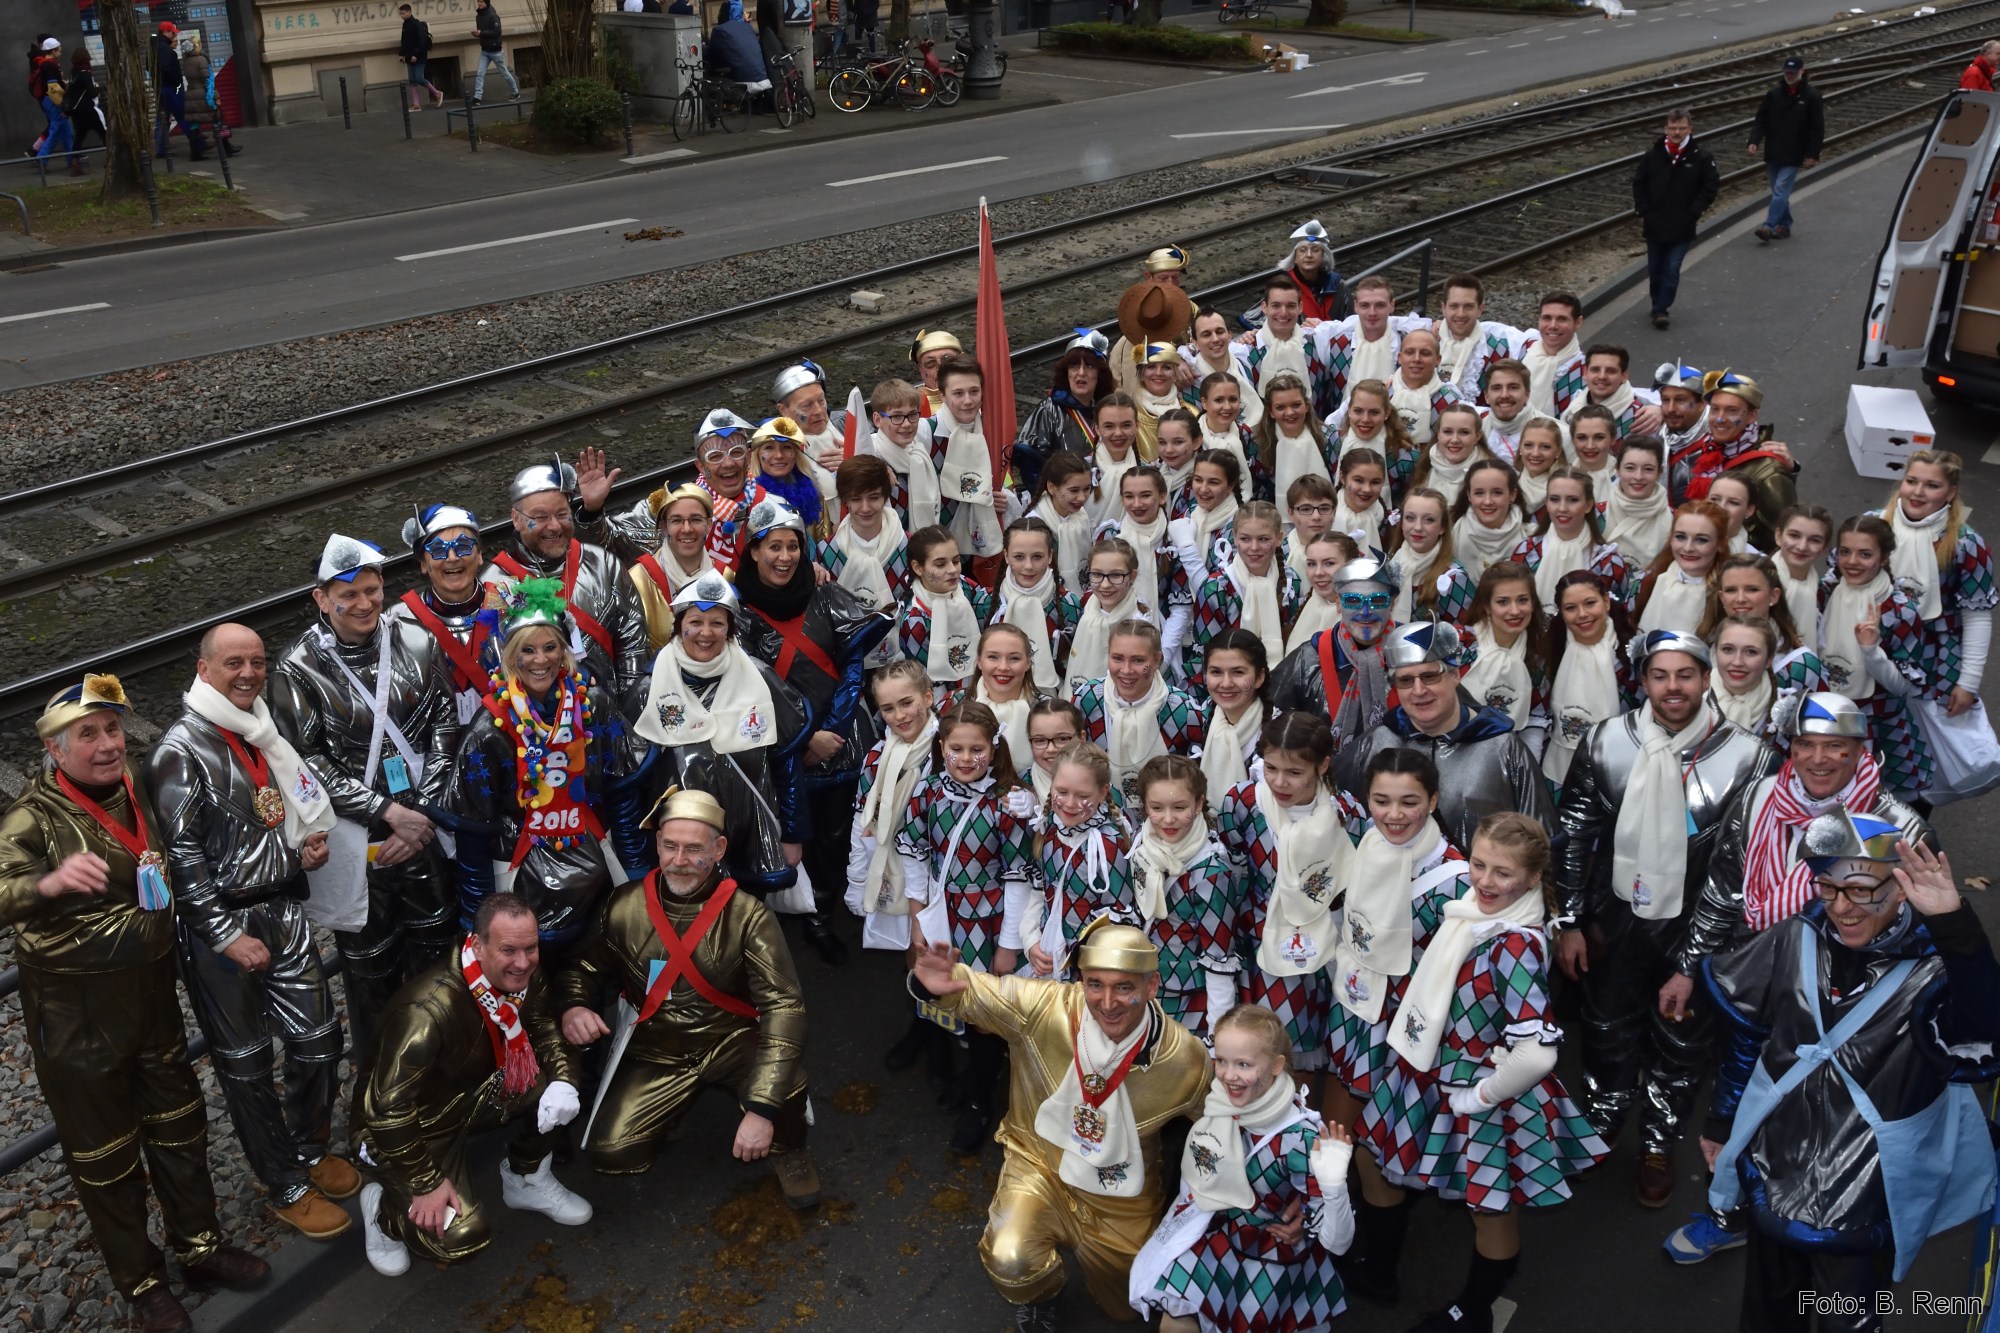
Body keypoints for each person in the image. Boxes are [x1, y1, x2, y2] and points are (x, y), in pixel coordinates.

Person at [0, 674, 270, 1333]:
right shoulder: (30, 817)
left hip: (151, 1003)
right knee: (107, 1159)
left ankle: (200, 1248)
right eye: (86, 734)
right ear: (54, 751)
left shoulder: (137, 789)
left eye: (113, 729)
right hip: (78, 1026)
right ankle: (142, 1280)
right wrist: (49, 881)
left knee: (182, 1127)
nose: (105, 744)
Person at [1657, 691, 1936, 1267]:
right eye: (1806, 743)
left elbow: (1922, 933)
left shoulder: (1896, 824)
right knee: (1735, 1109)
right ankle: (1728, 1213)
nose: (1818, 758)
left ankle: (1826, 1234)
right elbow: (1723, 891)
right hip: (1761, 986)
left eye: (1835, 745)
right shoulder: (1760, 798)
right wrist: (1688, 967)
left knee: (1825, 1131)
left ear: (1861, 750)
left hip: (1845, 1010)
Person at [1702, 817, 1997, 1330]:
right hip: (1774, 1170)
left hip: (1866, 1191)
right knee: (1768, 1315)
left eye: (1860, 889)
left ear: (1901, 890)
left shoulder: (1937, 969)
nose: (1841, 907)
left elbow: (1986, 1034)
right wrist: (1721, 1123)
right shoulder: (1795, 938)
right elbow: (1750, 1036)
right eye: (1829, 887)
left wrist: (1955, 925)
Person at [1355, 814, 1607, 1330]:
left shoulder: (1513, 943)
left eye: (1503, 873)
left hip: (1481, 1089)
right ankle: (1381, 1271)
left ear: (1533, 879)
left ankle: (1471, 1313)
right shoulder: (1471, 913)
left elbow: (1537, 1052)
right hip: (1437, 1073)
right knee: (1384, 1161)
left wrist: (1479, 1098)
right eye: (1478, 864)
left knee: (1489, 1210)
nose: (1486, 882)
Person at [1552, 630, 1776, 1208]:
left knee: (1682, 1044)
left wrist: (1694, 959)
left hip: (1699, 924)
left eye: (1685, 675)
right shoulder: (1606, 741)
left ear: (1706, 679)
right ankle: (1598, 1128)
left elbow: (1739, 873)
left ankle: (1657, 1144)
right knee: (1604, 1032)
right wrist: (1570, 921)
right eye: (1660, 675)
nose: (1672, 688)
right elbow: (1573, 831)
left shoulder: (1750, 757)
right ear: (1643, 680)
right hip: (1613, 919)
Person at [150, 625, 355, 1241]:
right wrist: (222, 935)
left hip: (283, 908)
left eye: (258, 663)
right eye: (233, 663)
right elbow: (181, 859)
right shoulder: (179, 751)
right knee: (245, 1065)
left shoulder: (262, 731)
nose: (248, 673)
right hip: (224, 930)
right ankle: (283, 1180)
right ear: (203, 668)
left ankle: (310, 1147)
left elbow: (267, 819)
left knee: (319, 1038)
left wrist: (300, 854)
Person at [912, 917, 1210, 1330]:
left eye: (1124, 986)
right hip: (1039, 1167)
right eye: (1095, 984)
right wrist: (938, 983)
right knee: (1010, 1258)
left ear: (1152, 986)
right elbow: (978, 991)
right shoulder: (1045, 1008)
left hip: (1118, 1193)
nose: (1107, 1002)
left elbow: (1227, 1131)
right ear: (1081, 981)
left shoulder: (1185, 1059)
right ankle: (1041, 1295)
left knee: (1127, 1306)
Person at [558, 788, 821, 1206]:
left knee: (786, 1086)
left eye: (694, 849)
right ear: (657, 843)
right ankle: (672, 1107)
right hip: (657, 1047)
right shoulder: (624, 905)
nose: (679, 860)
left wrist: (763, 1109)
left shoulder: (748, 915)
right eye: (670, 846)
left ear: (718, 850)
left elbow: (784, 1008)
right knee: (613, 1153)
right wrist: (574, 1005)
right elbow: (585, 968)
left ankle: (789, 1149)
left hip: (729, 1040)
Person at [272, 535, 459, 1079]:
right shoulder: (297, 668)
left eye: (372, 590)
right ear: (321, 599)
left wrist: (420, 813)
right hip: (361, 845)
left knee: (437, 948)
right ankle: (383, 1083)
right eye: (348, 593)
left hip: (426, 829)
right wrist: (387, 813)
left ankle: (442, 1068)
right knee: (370, 966)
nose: (363, 603)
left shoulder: (419, 642)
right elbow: (305, 763)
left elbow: (445, 727)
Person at [354, 893, 589, 1276]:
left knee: (556, 1083)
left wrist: (564, 1081)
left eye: (531, 948)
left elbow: (545, 1028)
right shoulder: (425, 1011)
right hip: (412, 1126)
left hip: (472, 1094)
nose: (523, 961)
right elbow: (386, 1111)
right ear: (477, 945)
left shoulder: (523, 972)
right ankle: (383, 1213)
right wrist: (426, 1181)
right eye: (509, 949)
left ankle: (525, 1177)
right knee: (462, 1236)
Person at [734, 497, 894, 963]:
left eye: (793, 547)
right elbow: (747, 688)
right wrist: (802, 741)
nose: (784, 557)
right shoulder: (737, 613)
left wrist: (831, 732)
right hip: (782, 750)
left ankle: (842, 900)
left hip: (841, 739)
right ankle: (813, 913)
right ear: (754, 552)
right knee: (795, 831)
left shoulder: (826, 593)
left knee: (840, 830)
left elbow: (851, 667)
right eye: (774, 547)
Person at [1129, 1004, 1355, 1333]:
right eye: (1221, 1060)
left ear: (1277, 1065)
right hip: (1218, 1235)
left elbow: (1339, 1243)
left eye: (1244, 1064)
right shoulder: (1221, 1101)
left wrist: (1334, 1186)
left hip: (1271, 1261)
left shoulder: (1299, 1140)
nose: (1228, 1075)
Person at [451, 579, 623, 961]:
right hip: (522, 881)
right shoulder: (488, 726)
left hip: (597, 872)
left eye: (550, 648)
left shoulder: (592, 702)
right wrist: (476, 918)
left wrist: (636, 875)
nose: (540, 660)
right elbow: (473, 831)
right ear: (511, 657)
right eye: (527, 650)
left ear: (565, 650)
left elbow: (623, 791)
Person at [899, 700, 1037, 1153]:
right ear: (941, 747)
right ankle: (952, 1070)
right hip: (942, 914)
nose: (965, 758)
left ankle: (979, 1097)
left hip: (988, 921)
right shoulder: (928, 793)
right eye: (955, 748)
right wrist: (918, 921)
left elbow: (1017, 878)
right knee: (943, 993)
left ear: (994, 749)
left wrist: (1008, 945)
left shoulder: (1006, 806)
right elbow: (916, 856)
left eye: (976, 749)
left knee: (983, 1014)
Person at [626, 571, 811, 895]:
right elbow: (629, 785)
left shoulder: (760, 678)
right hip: (680, 852)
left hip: (752, 838)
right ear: (679, 624)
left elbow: (786, 762)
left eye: (717, 623)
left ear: (730, 629)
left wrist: (792, 834)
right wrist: (636, 858)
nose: (705, 633)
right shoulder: (649, 689)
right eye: (696, 622)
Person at [1336, 621, 1555, 852]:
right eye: (1406, 680)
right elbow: (1338, 818)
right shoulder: (1375, 743)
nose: (1419, 690)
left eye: (1430, 676)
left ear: (1455, 675)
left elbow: (1541, 843)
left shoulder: (1503, 749)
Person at [485, 456, 650, 716]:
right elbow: (497, 662)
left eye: (562, 514)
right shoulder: (496, 583)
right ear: (516, 519)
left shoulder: (603, 563)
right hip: (536, 729)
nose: (554, 526)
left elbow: (633, 640)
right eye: (540, 517)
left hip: (611, 720)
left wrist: (629, 708)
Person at [1129, 755, 1240, 1040]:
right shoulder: (1141, 844)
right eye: (1156, 808)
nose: (1167, 819)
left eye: (1179, 807)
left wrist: (1217, 1036)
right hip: (1140, 988)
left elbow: (1220, 960)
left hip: (1189, 999)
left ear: (1199, 804)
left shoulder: (1212, 873)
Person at [1266, 552, 1400, 747]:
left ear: (1392, 604)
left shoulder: (1413, 654)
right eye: (1353, 601)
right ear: (1338, 603)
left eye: (1377, 600)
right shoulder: (1310, 658)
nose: (1365, 612)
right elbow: (1274, 724)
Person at [1023, 742, 1134, 980]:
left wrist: (1083, 964)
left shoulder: (1108, 845)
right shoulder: (1049, 827)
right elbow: (1039, 893)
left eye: (1082, 796)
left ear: (1103, 792)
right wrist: (1031, 941)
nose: (1070, 804)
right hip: (1047, 957)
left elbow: (1118, 921)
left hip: (1090, 969)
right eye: (1062, 792)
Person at [389, 503, 504, 725]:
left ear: (479, 555)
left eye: (463, 546)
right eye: (439, 550)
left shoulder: (513, 605)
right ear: (423, 564)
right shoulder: (398, 622)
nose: (452, 557)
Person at [1077, 619, 1207, 804]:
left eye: (1138, 660)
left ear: (1157, 660)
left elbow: (1197, 775)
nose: (1126, 670)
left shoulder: (1184, 710)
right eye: (1117, 658)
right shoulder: (1087, 699)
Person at [1632, 109, 1721, 330]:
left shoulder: (1701, 156)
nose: (1677, 132)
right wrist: (1644, 209)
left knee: (1671, 268)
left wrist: (1694, 211)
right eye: (1673, 128)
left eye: (1681, 128)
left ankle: (1660, 310)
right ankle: (1657, 302)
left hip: (1682, 225)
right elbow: (1639, 182)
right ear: (1666, 129)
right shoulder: (1653, 155)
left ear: (1689, 129)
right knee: (1655, 268)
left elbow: (1710, 187)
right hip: (1655, 223)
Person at [625, 483, 719, 648]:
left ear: (709, 525)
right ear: (664, 526)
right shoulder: (637, 581)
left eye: (696, 519)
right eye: (676, 520)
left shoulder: (724, 576)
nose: (687, 529)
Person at [1017, 332, 1115, 486]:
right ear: (1067, 373)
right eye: (1074, 366)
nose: (1081, 373)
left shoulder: (1106, 409)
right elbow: (1030, 462)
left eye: (1089, 366)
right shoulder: (1049, 409)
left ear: (1099, 374)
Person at [1748, 56, 1823, 242]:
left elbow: (1817, 128)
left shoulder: (1812, 96)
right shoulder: (1774, 94)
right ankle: (1785, 225)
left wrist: (1812, 154)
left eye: (1793, 73)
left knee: (1781, 190)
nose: (1789, 76)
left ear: (1802, 71)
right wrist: (1754, 140)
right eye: (1787, 73)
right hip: (1774, 151)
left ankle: (1768, 226)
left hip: (1794, 153)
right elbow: (1761, 119)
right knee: (1778, 192)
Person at [859, 378, 940, 530]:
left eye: (912, 414)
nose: (907, 424)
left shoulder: (919, 450)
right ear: (877, 420)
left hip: (925, 544)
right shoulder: (870, 456)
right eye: (896, 416)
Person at [150, 22, 207, 160]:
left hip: (160, 87)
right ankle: (198, 144)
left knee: (162, 119)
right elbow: (168, 69)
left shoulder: (154, 47)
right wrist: (176, 83)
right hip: (171, 87)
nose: (175, 35)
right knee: (182, 115)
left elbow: (149, 65)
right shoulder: (165, 49)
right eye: (173, 32)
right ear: (165, 32)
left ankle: (161, 148)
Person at [28, 37, 74, 174]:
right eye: (58, 49)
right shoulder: (49, 65)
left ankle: (72, 160)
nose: (60, 51)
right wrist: (64, 95)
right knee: (56, 128)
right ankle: (42, 160)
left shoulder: (43, 64)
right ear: (52, 50)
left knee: (66, 131)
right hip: (53, 100)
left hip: (48, 100)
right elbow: (53, 87)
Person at [470, 0, 521, 104]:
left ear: (486, 3)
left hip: (496, 51)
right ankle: (477, 97)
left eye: (482, 1)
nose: (479, 3)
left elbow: (497, 32)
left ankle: (515, 92)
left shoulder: (493, 16)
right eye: (479, 1)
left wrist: (481, 33)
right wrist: (478, 34)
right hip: (485, 50)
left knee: (504, 73)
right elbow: (482, 32)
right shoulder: (478, 17)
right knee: (480, 73)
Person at [63, 48, 104, 163]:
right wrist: (99, 88)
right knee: (104, 133)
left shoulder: (74, 72)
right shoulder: (85, 73)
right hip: (88, 109)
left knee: (79, 137)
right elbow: (91, 93)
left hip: (76, 111)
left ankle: (75, 164)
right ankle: (113, 160)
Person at [399, 0, 443, 106]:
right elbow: (404, 41)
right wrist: (402, 54)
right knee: (412, 80)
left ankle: (437, 93)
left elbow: (422, 42)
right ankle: (416, 104)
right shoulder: (405, 25)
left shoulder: (416, 24)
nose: (401, 15)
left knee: (419, 78)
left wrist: (416, 54)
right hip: (409, 56)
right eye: (400, 13)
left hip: (419, 56)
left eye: (403, 13)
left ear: (409, 12)